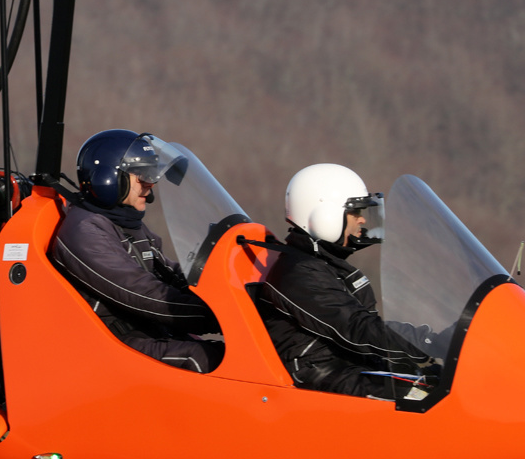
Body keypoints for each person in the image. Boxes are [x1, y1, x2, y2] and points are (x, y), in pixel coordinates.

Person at [253, 163, 437, 399]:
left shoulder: (326, 264)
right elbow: (356, 328)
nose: (362, 221)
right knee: (425, 402)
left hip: (348, 367)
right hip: (319, 379)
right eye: (355, 213)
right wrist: (428, 341)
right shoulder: (299, 273)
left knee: (440, 384)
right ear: (324, 216)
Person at [49, 129, 224, 373]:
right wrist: (213, 316)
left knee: (238, 358)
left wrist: (225, 293)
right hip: (113, 345)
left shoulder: (126, 223)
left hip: (148, 331)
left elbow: (169, 272)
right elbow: (140, 292)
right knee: (210, 361)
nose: (149, 186)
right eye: (142, 176)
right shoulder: (85, 231)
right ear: (109, 179)